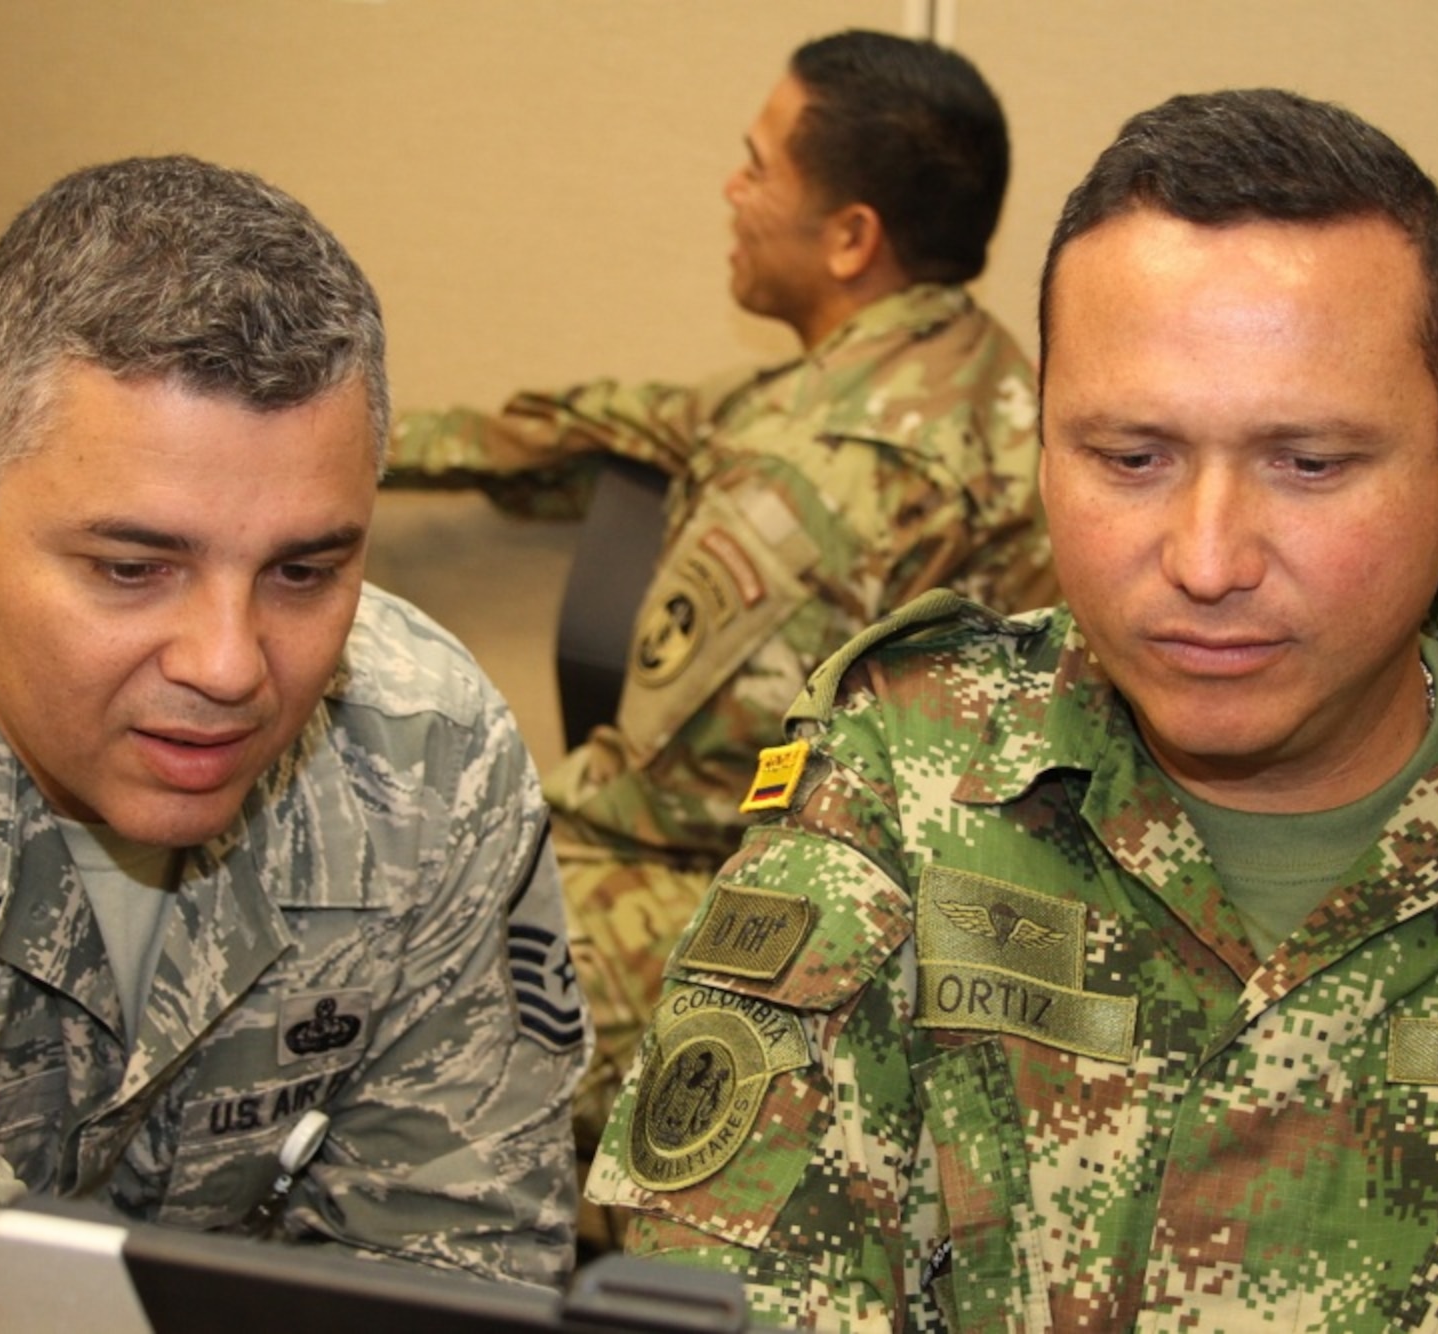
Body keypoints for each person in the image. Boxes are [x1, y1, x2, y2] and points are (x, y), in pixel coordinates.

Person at [586, 88, 1438, 1331]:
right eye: (1129, 457)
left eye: (1307, 463)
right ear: (1041, 437)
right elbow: (719, 1289)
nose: (1205, 559)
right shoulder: (898, 772)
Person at [0, 155, 587, 1328]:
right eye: (133, 568)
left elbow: (453, 1263)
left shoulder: (426, 755)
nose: (229, 663)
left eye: (304, 570)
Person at [381, 29, 1055, 1180]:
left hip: (822, 913)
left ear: (850, 237)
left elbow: (682, 786)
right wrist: (352, 448)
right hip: (934, 880)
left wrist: (479, 849)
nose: (730, 191)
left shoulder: (826, 469)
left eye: (757, 167)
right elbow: (612, 421)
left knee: (395, 1010)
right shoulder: (950, 366)